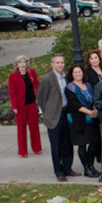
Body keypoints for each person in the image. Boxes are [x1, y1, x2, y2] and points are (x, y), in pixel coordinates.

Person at [36, 54, 76, 182]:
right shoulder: (48, 79)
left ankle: (67, 168)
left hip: (66, 113)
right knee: (56, 145)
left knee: (67, 143)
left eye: (62, 62)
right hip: (54, 116)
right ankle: (59, 172)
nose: (60, 65)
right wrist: (46, 113)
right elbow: (41, 98)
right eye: (57, 62)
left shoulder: (67, 77)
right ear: (52, 64)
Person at [66, 64, 100, 178]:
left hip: (92, 120)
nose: (77, 74)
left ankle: (91, 165)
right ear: (71, 74)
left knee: (94, 143)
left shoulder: (88, 85)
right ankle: (86, 168)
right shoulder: (70, 87)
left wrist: (95, 109)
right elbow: (74, 104)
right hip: (78, 119)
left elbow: (94, 98)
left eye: (79, 72)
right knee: (82, 145)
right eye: (75, 72)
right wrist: (89, 112)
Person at [8, 55, 42, 158]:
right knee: (21, 128)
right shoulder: (13, 76)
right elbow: (12, 92)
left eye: (24, 62)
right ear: (17, 65)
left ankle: (37, 148)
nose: (23, 64)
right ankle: (23, 151)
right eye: (20, 62)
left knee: (34, 126)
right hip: (21, 105)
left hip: (31, 103)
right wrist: (14, 106)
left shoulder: (31, 72)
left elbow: (37, 85)